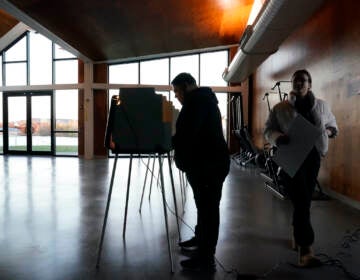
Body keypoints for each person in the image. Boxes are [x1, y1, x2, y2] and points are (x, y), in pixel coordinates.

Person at [264, 69, 338, 267]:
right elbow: (268, 130)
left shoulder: (321, 106)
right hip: (291, 157)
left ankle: (298, 234)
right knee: (303, 199)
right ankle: (306, 250)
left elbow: (332, 123)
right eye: (296, 81)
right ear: (293, 84)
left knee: (302, 201)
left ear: (310, 84)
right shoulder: (280, 108)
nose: (299, 84)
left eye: (303, 81)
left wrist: (329, 131)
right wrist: (278, 138)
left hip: (313, 157)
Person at [171, 73, 230, 272]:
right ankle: (200, 238)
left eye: (177, 91)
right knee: (203, 205)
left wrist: (171, 142)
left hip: (209, 165)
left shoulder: (198, 102)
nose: (176, 96)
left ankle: (206, 258)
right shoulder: (201, 100)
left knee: (208, 208)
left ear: (188, 86)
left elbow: (189, 135)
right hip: (206, 164)